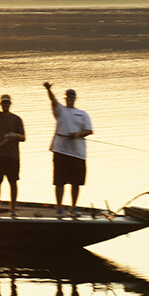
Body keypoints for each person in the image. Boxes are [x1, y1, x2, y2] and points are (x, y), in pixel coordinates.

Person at [44, 82, 93, 218]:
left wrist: (77, 134)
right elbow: (53, 100)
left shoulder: (82, 114)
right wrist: (48, 89)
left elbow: (89, 130)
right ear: (65, 98)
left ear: (75, 98)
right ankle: (59, 207)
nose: (69, 99)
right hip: (61, 150)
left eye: (72, 97)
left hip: (78, 153)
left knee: (76, 182)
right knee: (59, 182)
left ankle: (74, 207)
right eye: (68, 97)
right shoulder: (60, 110)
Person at [0, 76, 26, 218]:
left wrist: (14, 136)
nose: (5, 105)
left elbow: (23, 137)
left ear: (10, 104)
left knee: (13, 183)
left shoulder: (17, 119)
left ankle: (13, 209)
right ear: (1, 104)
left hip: (12, 157)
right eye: (3, 103)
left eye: (7, 103)